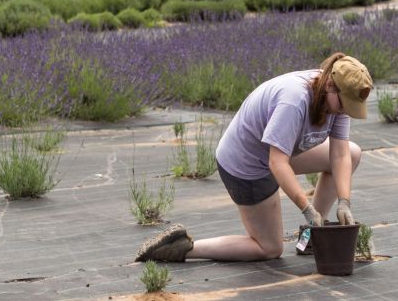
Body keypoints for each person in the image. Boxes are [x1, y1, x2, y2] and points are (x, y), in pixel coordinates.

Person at [135, 52, 372, 263]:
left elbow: (340, 154)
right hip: (245, 164)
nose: (344, 111)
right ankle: (180, 248)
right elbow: (276, 163)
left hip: (277, 152)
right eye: (344, 104)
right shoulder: (295, 100)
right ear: (331, 84)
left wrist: (344, 201)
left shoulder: (336, 98)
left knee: (352, 153)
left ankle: (313, 237)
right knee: (269, 248)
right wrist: (306, 207)